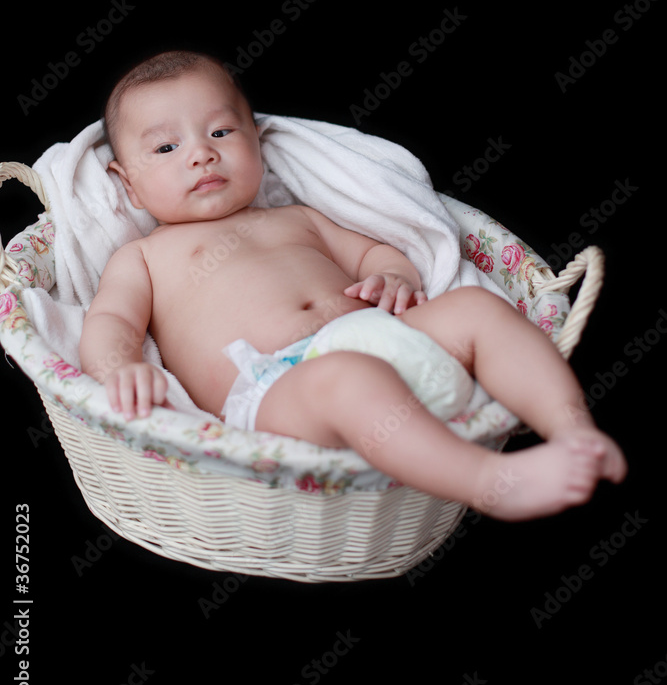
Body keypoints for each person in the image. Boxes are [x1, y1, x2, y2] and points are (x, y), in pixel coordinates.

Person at [79, 51, 627, 521]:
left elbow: (373, 250)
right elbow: (112, 322)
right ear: (128, 185)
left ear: (257, 141)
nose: (201, 153)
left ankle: (571, 428)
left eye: (221, 131)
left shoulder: (298, 217)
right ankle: (489, 481)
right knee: (342, 377)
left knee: (478, 307)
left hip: (382, 336)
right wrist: (120, 367)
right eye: (166, 149)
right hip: (280, 389)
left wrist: (394, 275)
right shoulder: (143, 257)